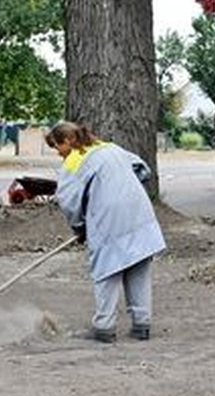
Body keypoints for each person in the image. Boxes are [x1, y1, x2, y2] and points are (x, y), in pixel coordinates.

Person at [45, 121, 166, 343]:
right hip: (139, 212)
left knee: (107, 270)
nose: (58, 154)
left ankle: (104, 327)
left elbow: (68, 201)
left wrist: (79, 227)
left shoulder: (74, 161)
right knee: (138, 265)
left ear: (68, 141)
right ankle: (142, 324)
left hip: (108, 217)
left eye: (57, 147)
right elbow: (142, 168)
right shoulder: (110, 147)